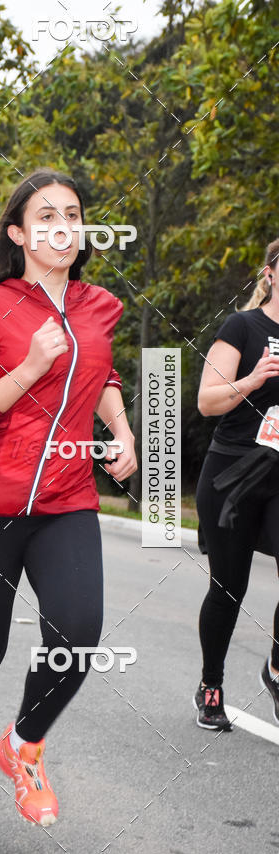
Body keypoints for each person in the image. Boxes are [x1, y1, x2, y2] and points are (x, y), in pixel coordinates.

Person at [0, 169, 137, 831]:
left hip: (68, 497)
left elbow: (100, 373)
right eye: (46, 214)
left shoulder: (100, 305)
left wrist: (125, 430)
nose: (63, 226)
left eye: (73, 214)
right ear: (18, 231)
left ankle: (22, 746)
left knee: (77, 634)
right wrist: (27, 369)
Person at [194, 237, 279, 730]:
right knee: (229, 587)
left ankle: (276, 670)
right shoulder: (243, 326)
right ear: (269, 274)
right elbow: (207, 401)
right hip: (233, 474)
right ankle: (211, 684)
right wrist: (252, 380)